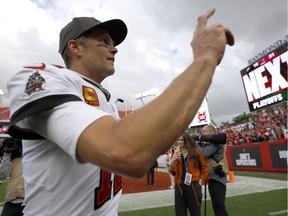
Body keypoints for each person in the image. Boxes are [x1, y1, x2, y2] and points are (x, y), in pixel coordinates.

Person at [6, 8, 234, 216]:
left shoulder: (108, 102)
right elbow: (125, 151)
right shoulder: (42, 76)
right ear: (75, 47)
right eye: (104, 42)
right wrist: (204, 60)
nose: (114, 48)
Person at [169, 131, 208, 216]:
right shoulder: (176, 153)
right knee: (180, 212)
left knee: (195, 212)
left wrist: (201, 179)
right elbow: (172, 171)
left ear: (187, 140)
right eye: (178, 140)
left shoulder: (195, 152)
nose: (179, 142)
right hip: (179, 185)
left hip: (193, 185)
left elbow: (204, 166)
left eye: (182, 140)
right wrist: (173, 161)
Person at [196, 125, 229, 216]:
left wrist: (194, 144)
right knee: (217, 205)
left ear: (210, 132)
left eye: (204, 131)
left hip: (217, 178)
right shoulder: (213, 142)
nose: (202, 134)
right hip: (213, 177)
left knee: (219, 206)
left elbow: (204, 153)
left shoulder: (217, 142)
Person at [0, 138, 24, 216]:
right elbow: (2, 175)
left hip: (26, 202)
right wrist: (7, 154)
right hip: (10, 200)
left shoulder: (34, 160)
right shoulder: (14, 159)